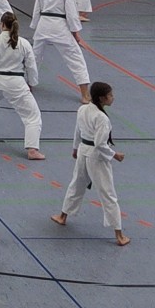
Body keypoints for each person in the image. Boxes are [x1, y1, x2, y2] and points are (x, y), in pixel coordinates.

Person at [52, 82, 128, 246]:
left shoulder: (83, 109)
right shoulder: (102, 118)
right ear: (101, 98)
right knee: (108, 193)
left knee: (77, 184)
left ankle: (62, 216)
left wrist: (75, 148)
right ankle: (119, 235)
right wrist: (115, 155)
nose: (113, 97)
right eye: (110, 95)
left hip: (83, 150)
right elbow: (100, 144)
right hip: (96, 156)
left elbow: (77, 131)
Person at [30, 0, 91, 103]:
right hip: (60, 28)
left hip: (43, 26)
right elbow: (72, 16)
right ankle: (85, 95)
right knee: (75, 58)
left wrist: (35, 25)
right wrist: (75, 33)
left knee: (34, 56)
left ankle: (28, 84)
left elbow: (36, 10)